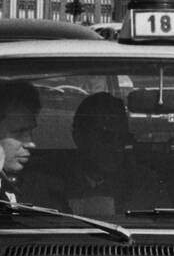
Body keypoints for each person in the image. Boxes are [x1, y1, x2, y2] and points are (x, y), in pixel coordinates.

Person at [24, 92, 163, 216]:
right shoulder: (46, 182)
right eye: (106, 136)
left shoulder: (144, 184)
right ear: (79, 137)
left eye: (122, 138)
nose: (116, 146)